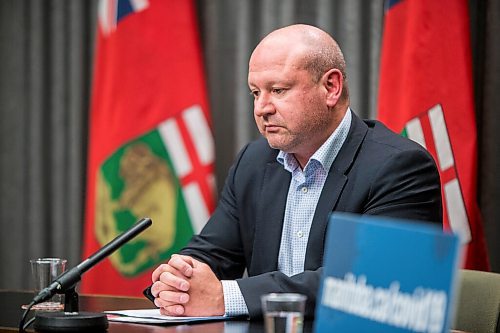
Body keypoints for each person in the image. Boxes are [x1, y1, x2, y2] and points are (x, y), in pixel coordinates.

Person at [145, 24, 442, 319]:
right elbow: (213, 252)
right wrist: (177, 280)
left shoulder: (400, 167)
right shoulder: (254, 161)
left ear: (331, 87)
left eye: (278, 90)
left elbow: (369, 283)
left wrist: (227, 297)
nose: (262, 108)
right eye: (255, 93)